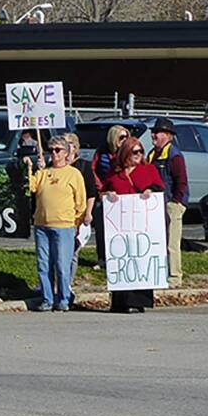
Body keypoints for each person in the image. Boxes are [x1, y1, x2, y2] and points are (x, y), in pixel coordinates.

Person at [23, 136, 86, 312]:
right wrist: (30, 167)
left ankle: (64, 298)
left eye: (58, 150)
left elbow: (80, 202)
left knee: (62, 265)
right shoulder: (44, 172)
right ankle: (47, 298)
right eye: (51, 150)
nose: (54, 154)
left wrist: (77, 223)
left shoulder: (74, 174)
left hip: (64, 225)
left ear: (66, 153)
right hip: (42, 225)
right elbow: (31, 187)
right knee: (44, 265)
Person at [103, 137, 165, 312]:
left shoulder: (148, 169)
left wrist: (150, 190)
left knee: (140, 260)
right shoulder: (115, 172)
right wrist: (109, 194)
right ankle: (120, 302)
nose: (138, 155)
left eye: (140, 151)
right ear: (125, 153)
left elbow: (159, 187)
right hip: (120, 225)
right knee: (122, 261)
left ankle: (138, 301)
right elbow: (104, 190)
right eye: (134, 152)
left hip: (142, 224)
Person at [146, 117, 188, 287]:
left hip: (171, 204)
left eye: (157, 132)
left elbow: (181, 181)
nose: (153, 135)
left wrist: (176, 202)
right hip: (156, 205)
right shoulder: (151, 154)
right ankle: (159, 273)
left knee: (172, 243)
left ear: (168, 136)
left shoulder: (174, 156)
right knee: (158, 241)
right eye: (153, 132)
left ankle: (175, 276)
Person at [64, 133, 97, 305]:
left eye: (68, 143)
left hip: (78, 216)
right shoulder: (55, 165)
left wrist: (88, 213)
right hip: (60, 215)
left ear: (75, 147)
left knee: (73, 252)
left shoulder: (84, 166)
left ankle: (67, 283)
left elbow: (91, 192)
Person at [91, 125, 130, 269]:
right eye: (121, 137)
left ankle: (121, 257)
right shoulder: (101, 151)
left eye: (126, 137)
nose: (125, 140)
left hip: (122, 196)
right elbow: (93, 170)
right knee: (101, 228)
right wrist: (101, 189)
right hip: (104, 195)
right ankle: (102, 258)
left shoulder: (128, 152)